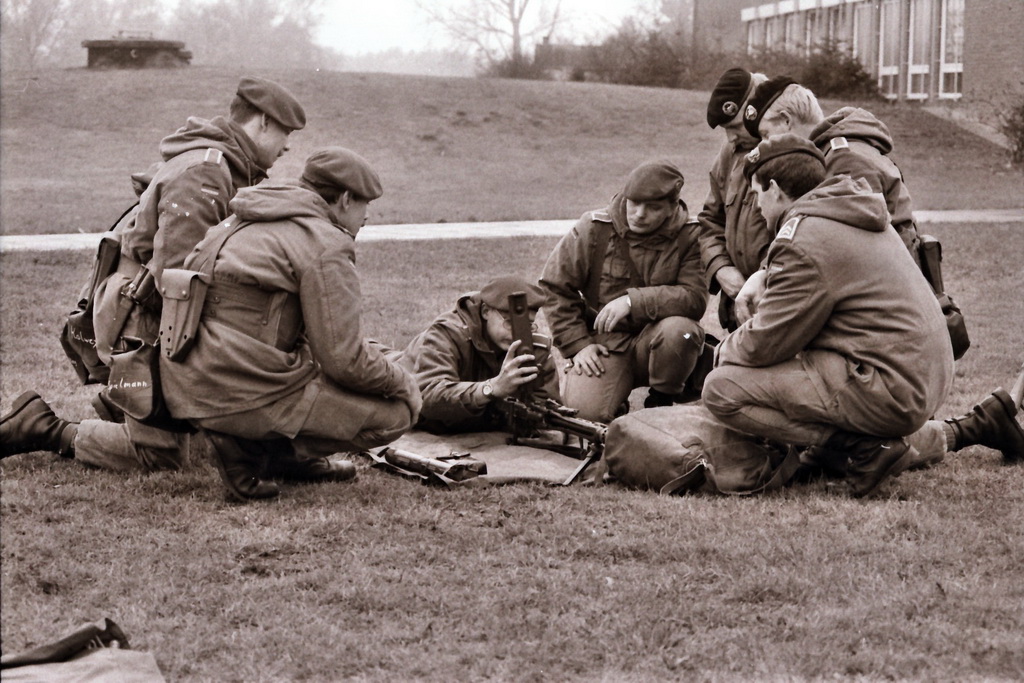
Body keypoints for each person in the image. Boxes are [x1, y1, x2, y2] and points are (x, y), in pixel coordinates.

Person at [0, 76, 308, 477]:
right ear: (263, 122)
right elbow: (177, 280)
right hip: (142, 319)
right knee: (160, 457)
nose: (287, 146)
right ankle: (43, 426)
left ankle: (127, 403)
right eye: (286, 133)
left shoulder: (220, 163)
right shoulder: (206, 171)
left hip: (145, 309)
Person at [156, 147, 422, 500]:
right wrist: (402, 381)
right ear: (345, 200)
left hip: (185, 380)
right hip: (238, 388)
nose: (367, 216)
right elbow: (344, 360)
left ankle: (266, 448)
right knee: (397, 414)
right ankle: (253, 449)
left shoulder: (244, 218)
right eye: (365, 204)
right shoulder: (325, 242)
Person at [701, 134, 955, 497]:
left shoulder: (803, 239)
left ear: (774, 189)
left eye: (756, 194)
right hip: (923, 375)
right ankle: (884, 443)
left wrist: (721, 352)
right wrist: (766, 273)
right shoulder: (846, 208)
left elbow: (766, 342)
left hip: (892, 386)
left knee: (721, 389)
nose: (756, 206)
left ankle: (865, 448)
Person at [540, 160, 708, 422]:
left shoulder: (691, 235)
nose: (639, 214)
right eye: (634, 203)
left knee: (681, 331)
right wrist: (578, 345)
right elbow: (555, 286)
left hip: (663, 341)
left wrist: (632, 302)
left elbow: (694, 298)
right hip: (605, 344)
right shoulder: (595, 228)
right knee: (584, 416)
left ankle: (661, 400)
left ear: (672, 207)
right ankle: (615, 403)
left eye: (653, 207)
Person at [741, 76, 920, 258]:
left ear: (786, 120)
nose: (764, 144)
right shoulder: (833, 152)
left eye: (766, 134)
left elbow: (855, 245)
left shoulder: (843, 159)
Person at [396, 275, 560, 434]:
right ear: (485, 311)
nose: (516, 334)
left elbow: (547, 406)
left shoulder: (533, 348)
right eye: (509, 323)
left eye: (528, 325)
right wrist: (492, 388)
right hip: (401, 382)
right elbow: (428, 396)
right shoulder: (448, 334)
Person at [697, 67, 772, 331]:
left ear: (757, 108)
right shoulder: (729, 154)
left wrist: (763, 277)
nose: (730, 137)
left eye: (736, 127)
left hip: (777, 299)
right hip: (737, 309)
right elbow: (710, 221)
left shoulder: (796, 153)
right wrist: (720, 268)